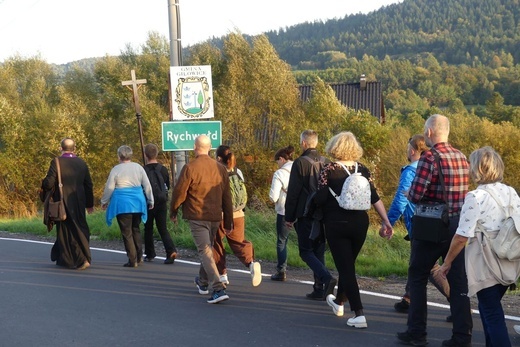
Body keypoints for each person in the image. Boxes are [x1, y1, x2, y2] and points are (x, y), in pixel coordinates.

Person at [397, 114, 473, 347]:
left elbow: (418, 194)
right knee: (459, 280)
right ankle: (462, 336)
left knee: (418, 275)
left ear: (429, 132)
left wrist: (409, 193)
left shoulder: (429, 157)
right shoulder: (461, 156)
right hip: (457, 225)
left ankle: (417, 333)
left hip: (431, 225)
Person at [439, 146, 520, 347]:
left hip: (486, 262)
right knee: (487, 310)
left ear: (477, 169)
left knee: (492, 314)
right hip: (509, 260)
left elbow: (461, 236)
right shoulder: (510, 192)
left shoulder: (475, 197)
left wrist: (447, 262)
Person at [312, 131, 393, 329]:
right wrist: (386, 221)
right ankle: (339, 302)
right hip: (360, 224)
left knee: (346, 268)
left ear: (335, 147)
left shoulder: (328, 169)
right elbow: (374, 197)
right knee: (347, 265)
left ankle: (359, 313)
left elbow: (321, 198)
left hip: (336, 223)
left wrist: (311, 204)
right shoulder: (363, 170)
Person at [387, 135, 450, 314]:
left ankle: (458, 303)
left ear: (413, 150)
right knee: (416, 262)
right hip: (439, 222)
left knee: (430, 267)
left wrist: (388, 222)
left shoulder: (410, 171)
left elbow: (401, 200)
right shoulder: (436, 164)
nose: (407, 150)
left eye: (408, 147)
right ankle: (408, 298)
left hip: (420, 223)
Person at [170, 135, 233, 304]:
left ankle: (218, 288)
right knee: (208, 249)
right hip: (215, 216)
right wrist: (228, 222)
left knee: (205, 251)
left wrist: (173, 211)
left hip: (197, 215)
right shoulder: (220, 168)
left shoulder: (190, 168)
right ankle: (203, 282)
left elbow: (179, 192)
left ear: (194, 147)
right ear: (210, 147)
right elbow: (227, 197)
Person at [285, 129, 337, 300]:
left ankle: (326, 278)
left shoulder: (300, 163)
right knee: (319, 250)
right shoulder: (327, 162)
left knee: (306, 251)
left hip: (306, 213)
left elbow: (293, 192)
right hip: (323, 213)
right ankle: (319, 288)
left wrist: (289, 217)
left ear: (304, 143)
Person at [41, 138, 94, 270]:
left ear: (61, 148)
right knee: (80, 227)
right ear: (74, 148)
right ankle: (82, 257)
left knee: (65, 229)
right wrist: (90, 204)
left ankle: (73, 259)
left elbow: (49, 183)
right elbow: (88, 185)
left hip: (63, 200)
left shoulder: (57, 162)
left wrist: (43, 184)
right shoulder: (82, 163)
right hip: (79, 201)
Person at [213, 145, 262, 287]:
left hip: (221, 215)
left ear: (218, 158)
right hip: (239, 214)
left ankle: (222, 275)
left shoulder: (217, 171)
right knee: (238, 242)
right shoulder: (238, 171)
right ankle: (251, 263)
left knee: (217, 243)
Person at [101, 145, 153, 268]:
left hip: (122, 204)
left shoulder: (116, 169)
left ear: (119, 156)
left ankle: (132, 259)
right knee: (136, 229)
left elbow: (110, 187)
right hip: (138, 202)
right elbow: (147, 185)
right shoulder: (138, 167)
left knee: (127, 232)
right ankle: (139, 256)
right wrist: (151, 200)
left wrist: (104, 201)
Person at [142, 143, 178, 264]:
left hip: (148, 202)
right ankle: (171, 250)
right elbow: (166, 185)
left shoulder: (144, 170)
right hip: (162, 201)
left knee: (148, 228)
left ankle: (150, 254)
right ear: (156, 154)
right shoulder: (163, 169)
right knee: (162, 228)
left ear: (146, 155)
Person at [268, 145, 295, 281]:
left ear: (281, 159)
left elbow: (273, 197)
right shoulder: (299, 168)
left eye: (277, 161)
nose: (277, 164)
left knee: (282, 241)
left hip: (284, 211)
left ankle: (281, 271)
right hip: (302, 211)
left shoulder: (279, 174)